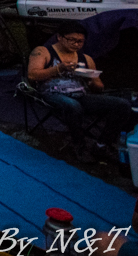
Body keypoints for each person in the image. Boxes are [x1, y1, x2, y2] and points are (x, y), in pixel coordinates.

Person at [28, 21, 133, 163]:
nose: (76, 44)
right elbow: (32, 75)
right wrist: (58, 69)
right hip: (52, 94)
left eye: (80, 41)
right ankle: (79, 145)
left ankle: (102, 145)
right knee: (73, 106)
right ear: (59, 37)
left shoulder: (86, 59)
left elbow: (98, 87)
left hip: (80, 95)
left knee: (122, 104)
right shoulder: (43, 52)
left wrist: (90, 80)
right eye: (72, 40)